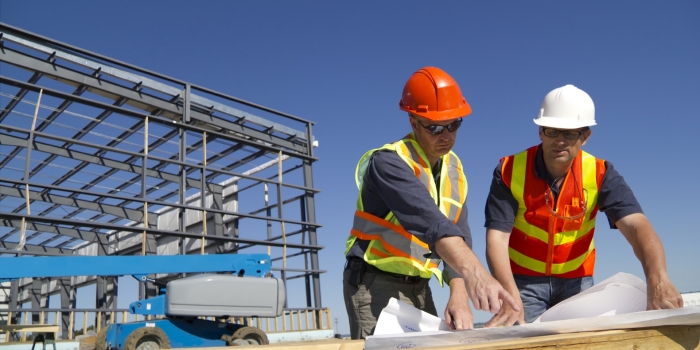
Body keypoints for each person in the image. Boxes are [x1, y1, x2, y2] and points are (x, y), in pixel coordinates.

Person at [483, 84, 684, 327]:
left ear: (585, 136)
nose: (559, 141)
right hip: (522, 283)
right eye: (552, 131)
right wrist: (509, 294)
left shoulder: (601, 173)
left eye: (569, 133)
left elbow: (636, 226)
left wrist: (658, 279)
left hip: (577, 283)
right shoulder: (508, 171)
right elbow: (496, 239)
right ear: (540, 131)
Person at [343, 66, 518, 339]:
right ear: (413, 122)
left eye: (453, 124)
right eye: (435, 127)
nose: (446, 135)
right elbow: (434, 225)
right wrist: (477, 274)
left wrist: (458, 293)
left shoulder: (454, 168)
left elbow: (458, 232)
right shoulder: (389, 163)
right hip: (374, 282)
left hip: (419, 285)